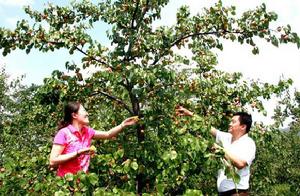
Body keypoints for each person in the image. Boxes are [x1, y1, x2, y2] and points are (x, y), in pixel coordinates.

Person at [176, 106, 256, 196]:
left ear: (243, 126)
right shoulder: (227, 137)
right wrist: (189, 113)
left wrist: (220, 150)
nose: (230, 124)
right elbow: (208, 127)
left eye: (233, 122)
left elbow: (240, 164)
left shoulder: (248, 143)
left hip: (238, 193)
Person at [49, 101, 138, 177]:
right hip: (66, 184)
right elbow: (53, 161)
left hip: (83, 184)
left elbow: (108, 134)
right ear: (74, 115)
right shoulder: (64, 133)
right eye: (84, 111)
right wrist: (77, 153)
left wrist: (122, 125)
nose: (87, 113)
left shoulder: (87, 132)